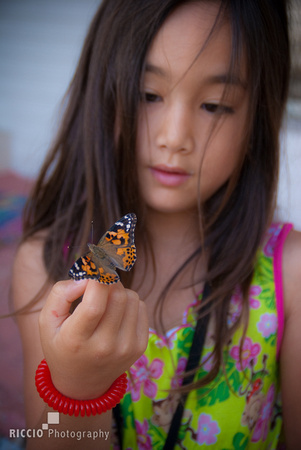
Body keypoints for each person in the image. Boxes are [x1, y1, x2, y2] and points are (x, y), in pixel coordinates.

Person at [11, 0, 301, 448]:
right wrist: (77, 385)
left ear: (257, 118)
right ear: (100, 92)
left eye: (214, 104)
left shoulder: (291, 275)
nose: (173, 136)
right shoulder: (47, 265)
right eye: (148, 95)